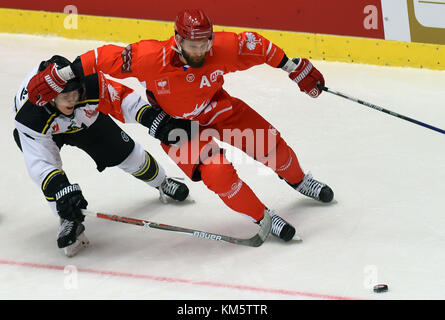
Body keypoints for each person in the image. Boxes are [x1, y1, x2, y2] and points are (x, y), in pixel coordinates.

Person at [26, 9, 334, 243]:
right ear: (177, 40)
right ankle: (263, 216)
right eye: (192, 44)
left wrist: (292, 67)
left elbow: (261, 47)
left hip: (218, 109)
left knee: (271, 147)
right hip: (176, 127)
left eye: (205, 43)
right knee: (219, 173)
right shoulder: (149, 57)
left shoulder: (223, 47)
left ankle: (298, 180)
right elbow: (103, 58)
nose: (200, 51)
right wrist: (65, 74)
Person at [15, 55, 190, 256]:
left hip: (85, 122)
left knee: (129, 155)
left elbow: (123, 99)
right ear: (50, 98)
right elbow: (41, 163)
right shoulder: (29, 116)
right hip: (46, 134)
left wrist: (151, 118)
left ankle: (162, 182)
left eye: (76, 93)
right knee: (58, 187)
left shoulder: (89, 83)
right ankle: (68, 218)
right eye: (66, 96)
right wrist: (61, 190)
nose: (73, 99)